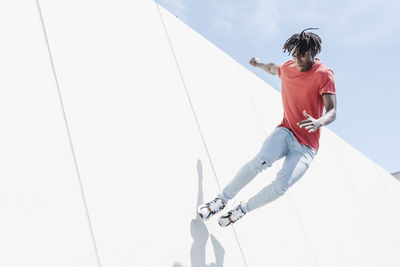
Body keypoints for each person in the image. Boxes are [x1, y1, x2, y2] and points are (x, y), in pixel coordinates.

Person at [197, 27, 337, 227]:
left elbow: (332, 111)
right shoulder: (289, 67)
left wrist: (319, 121)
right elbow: (273, 68)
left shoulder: (324, 75)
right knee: (260, 162)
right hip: (286, 131)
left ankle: (242, 209)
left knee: (282, 186)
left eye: (303, 57)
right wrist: (258, 64)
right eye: (295, 56)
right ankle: (221, 200)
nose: (298, 61)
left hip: (307, 147)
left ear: (312, 53)